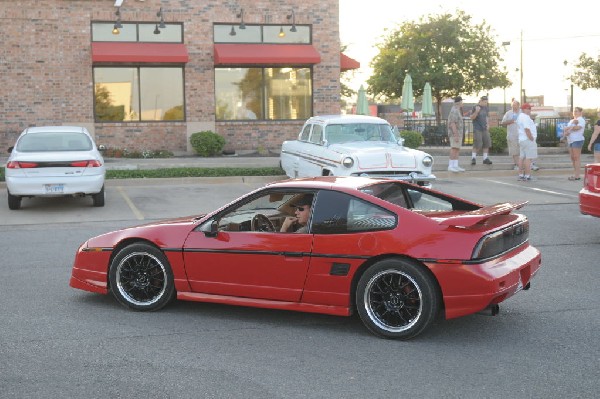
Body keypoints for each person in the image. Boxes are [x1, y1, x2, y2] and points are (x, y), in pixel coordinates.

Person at [516, 103, 538, 181]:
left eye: (530, 108)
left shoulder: (520, 117)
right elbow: (527, 129)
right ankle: (527, 175)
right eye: (528, 108)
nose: (529, 110)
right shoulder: (525, 117)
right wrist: (531, 138)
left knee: (522, 157)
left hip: (522, 140)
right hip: (527, 140)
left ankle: (521, 174)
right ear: (524, 109)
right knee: (528, 158)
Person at [563, 107, 586, 180]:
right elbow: (565, 130)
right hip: (570, 140)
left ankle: (577, 176)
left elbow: (577, 128)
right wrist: (568, 130)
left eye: (576, 111)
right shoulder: (572, 121)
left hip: (577, 140)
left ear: (580, 112)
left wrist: (569, 128)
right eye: (574, 111)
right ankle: (575, 174)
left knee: (576, 157)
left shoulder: (581, 120)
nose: (575, 112)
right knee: (572, 158)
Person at [470, 96, 492, 165]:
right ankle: (473, 158)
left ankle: (485, 159)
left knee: (486, 143)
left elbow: (487, 117)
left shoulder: (486, 108)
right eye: (485, 102)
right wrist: (476, 111)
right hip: (477, 128)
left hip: (484, 129)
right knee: (477, 144)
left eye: (486, 102)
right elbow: (472, 117)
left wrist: (488, 124)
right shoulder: (475, 107)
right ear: (481, 101)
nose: (486, 103)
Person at [447, 96, 465, 172]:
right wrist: (455, 134)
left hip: (458, 133)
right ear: (459, 102)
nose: (463, 103)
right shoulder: (454, 110)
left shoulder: (457, 110)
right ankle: (451, 165)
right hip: (455, 133)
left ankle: (455, 165)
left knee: (457, 149)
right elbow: (452, 123)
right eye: (462, 101)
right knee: (454, 148)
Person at [501, 100, 521, 170]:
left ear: (519, 105)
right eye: (513, 105)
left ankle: (523, 165)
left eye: (515, 105)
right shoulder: (508, 113)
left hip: (522, 136)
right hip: (512, 135)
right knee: (514, 151)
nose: (514, 107)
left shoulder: (522, 113)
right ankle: (517, 165)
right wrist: (511, 121)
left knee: (522, 151)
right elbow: (503, 122)